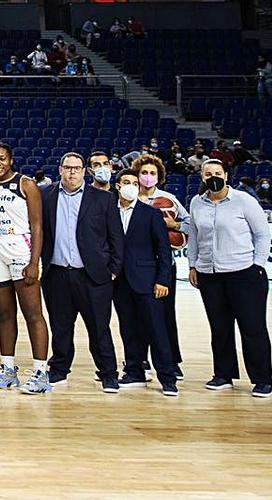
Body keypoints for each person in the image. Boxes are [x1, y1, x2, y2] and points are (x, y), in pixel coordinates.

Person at [187, 159, 272, 398]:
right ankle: (223, 375)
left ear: (226, 175)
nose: (212, 176)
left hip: (244, 273)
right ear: (202, 177)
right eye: (208, 173)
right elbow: (194, 236)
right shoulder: (197, 202)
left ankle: (262, 379)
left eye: (217, 172)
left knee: (252, 328)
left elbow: (262, 235)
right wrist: (193, 264)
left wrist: (258, 265)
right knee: (220, 328)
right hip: (209, 275)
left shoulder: (244, 201)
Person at [40, 152, 123, 392]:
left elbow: (115, 236)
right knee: (61, 326)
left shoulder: (103, 199)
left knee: (99, 328)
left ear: (85, 171)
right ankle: (58, 370)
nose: (72, 172)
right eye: (68, 168)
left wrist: (114, 269)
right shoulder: (46, 196)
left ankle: (108, 373)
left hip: (93, 276)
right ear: (60, 169)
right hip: (57, 274)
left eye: (77, 168)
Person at [0, 144, 51, 394]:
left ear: (10, 160)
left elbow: (37, 226)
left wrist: (33, 261)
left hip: (20, 247)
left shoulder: (26, 184)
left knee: (33, 313)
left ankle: (41, 372)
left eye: (2, 158)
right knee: (4, 313)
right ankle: (8, 369)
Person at [112, 169, 178, 396]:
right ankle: (133, 371)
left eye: (133, 182)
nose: (130, 185)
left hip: (147, 281)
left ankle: (167, 377)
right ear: (118, 185)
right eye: (125, 182)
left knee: (156, 330)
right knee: (128, 329)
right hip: (119, 282)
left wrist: (163, 280)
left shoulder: (151, 214)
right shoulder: (108, 212)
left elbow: (163, 249)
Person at [132, 154, 189, 380]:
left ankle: (171, 361)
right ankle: (140, 359)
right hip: (136, 265)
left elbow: (190, 224)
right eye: (144, 173)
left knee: (166, 315)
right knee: (137, 316)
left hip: (163, 265)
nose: (148, 177)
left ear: (159, 176)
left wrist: (173, 224)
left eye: (152, 173)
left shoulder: (169, 199)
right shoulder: (128, 197)